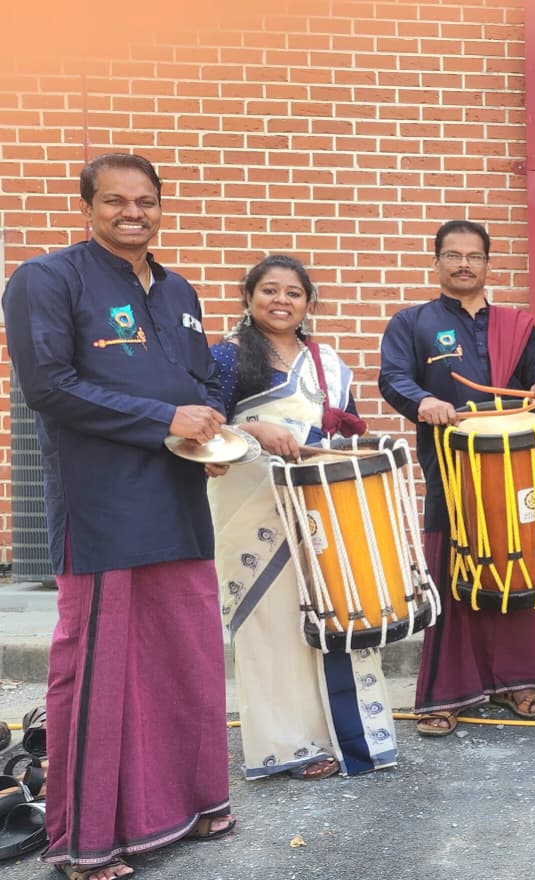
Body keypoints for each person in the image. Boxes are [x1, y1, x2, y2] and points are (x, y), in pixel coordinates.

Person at [2, 153, 234, 880]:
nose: (133, 213)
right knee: (100, 674)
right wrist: (167, 418)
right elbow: (50, 387)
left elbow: (200, 382)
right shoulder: (46, 280)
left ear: (160, 205)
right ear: (87, 207)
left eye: (146, 201)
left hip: (179, 497)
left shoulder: (180, 290)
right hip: (104, 505)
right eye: (115, 201)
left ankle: (193, 804)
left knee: (185, 659)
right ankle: (89, 839)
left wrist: (212, 435)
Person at [208, 255, 394, 781]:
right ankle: (287, 746)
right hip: (252, 509)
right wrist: (254, 431)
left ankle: (350, 738)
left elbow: (344, 429)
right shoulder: (226, 356)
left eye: (293, 292)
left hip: (318, 507)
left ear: (309, 302)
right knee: (270, 627)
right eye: (269, 290)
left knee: (332, 614)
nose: (281, 301)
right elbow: (204, 427)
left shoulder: (325, 362)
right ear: (249, 297)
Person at [378, 220, 535, 736]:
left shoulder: (516, 325)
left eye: (474, 256)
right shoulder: (412, 323)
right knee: (450, 576)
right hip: (451, 469)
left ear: (487, 263)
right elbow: (393, 378)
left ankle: (517, 682)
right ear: (436, 261)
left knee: (515, 570)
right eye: (453, 255)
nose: (464, 264)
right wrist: (424, 401)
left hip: (513, 470)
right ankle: (445, 693)